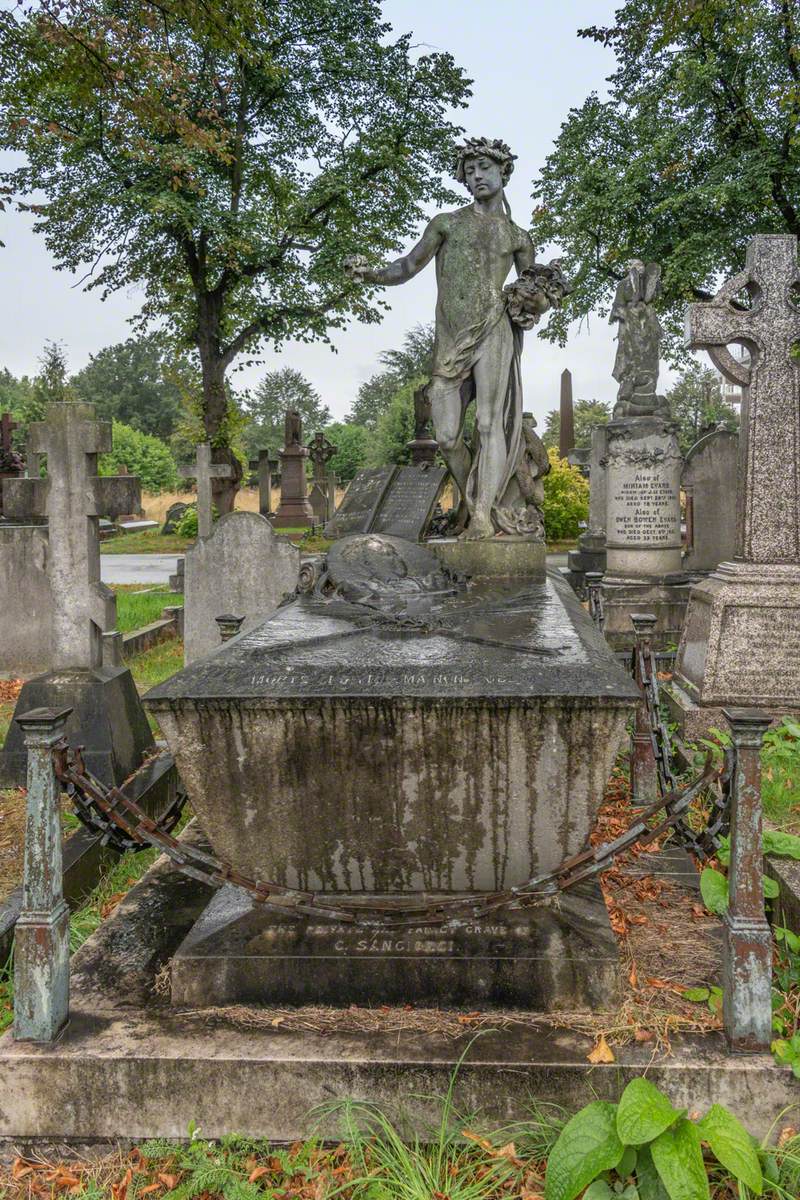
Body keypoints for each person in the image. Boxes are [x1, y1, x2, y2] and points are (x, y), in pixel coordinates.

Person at [345, 137, 560, 539]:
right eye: (470, 171)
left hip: (494, 330)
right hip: (450, 338)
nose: (476, 176)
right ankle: (472, 497)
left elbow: (534, 294)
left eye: (484, 168)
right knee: (446, 436)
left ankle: (482, 515)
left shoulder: (517, 237)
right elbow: (407, 265)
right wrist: (370, 273)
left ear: (503, 172)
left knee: (487, 423)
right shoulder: (447, 223)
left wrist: (536, 299)